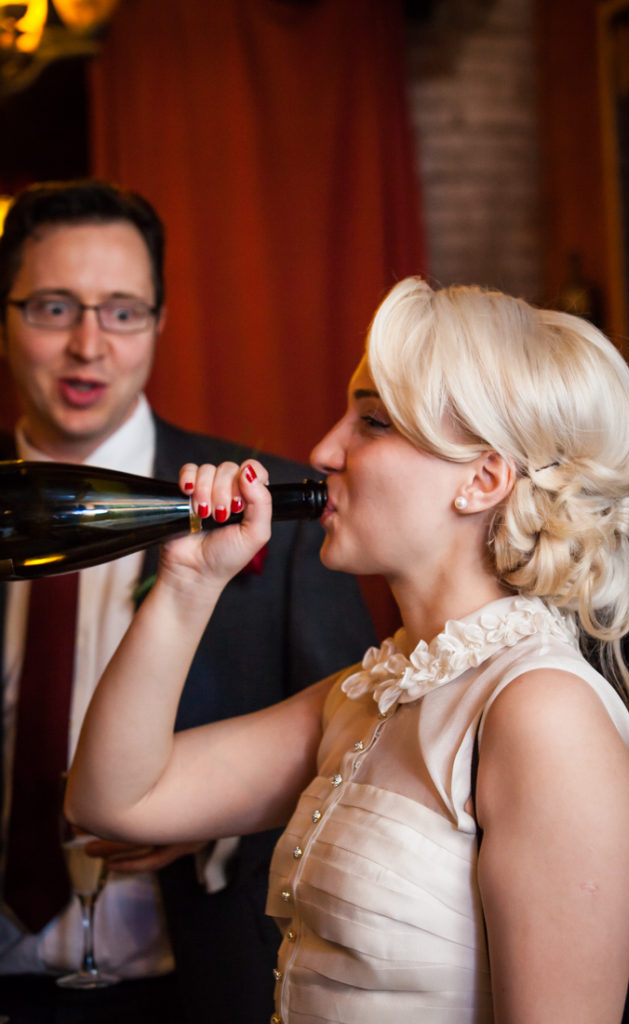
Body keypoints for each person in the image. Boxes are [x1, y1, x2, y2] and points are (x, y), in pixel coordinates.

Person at [66, 275, 629, 1023]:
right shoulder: (366, 694)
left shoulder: (542, 713)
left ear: (482, 479)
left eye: (372, 422)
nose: (322, 450)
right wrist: (187, 584)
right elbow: (113, 800)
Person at [0, 179, 377, 1024]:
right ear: (6, 315)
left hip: (196, 982)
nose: (88, 346)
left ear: (161, 322)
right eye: (54, 309)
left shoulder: (271, 506)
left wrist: (221, 817)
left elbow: (360, 748)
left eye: (123, 312)